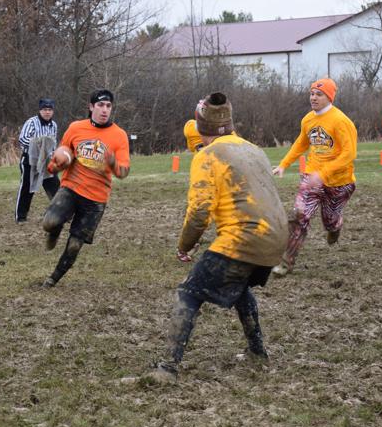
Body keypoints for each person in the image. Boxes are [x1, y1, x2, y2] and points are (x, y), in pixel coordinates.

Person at [149, 92, 287, 383]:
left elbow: (199, 213)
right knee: (239, 287)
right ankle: (257, 352)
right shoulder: (255, 150)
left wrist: (184, 246)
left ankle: (167, 369)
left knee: (189, 292)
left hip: (243, 237)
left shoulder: (207, 155)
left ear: (200, 128)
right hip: (276, 237)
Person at [41, 89, 130, 288]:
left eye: (108, 106)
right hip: (71, 188)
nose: (104, 110)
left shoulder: (119, 135)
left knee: (75, 244)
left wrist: (113, 161)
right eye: (100, 105)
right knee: (49, 222)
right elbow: (63, 155)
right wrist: (55, 165)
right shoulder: (75, 128)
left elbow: (124, 173)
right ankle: (54, 230)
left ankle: (53, 278)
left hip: (96, 199)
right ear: (91, 107)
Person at [270, 78, 357, 277]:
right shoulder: (308, 119)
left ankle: (335, 227)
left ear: (330, 97)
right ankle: (286, 262)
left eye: (319, 94)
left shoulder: (341, 121)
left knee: (330, 221)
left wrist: (324, 174)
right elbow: (301, 143)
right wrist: (284, 164)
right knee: (299, 215)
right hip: (311, 178)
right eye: (312, 93)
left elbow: (349, 154)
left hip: (339, 183)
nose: (314, 97)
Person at [15, 98, 60, 224]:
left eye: (50, 110)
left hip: (47, 161)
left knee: (55, 186)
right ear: (40, 111)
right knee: (27, 188)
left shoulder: (54, 125)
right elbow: (23, 139)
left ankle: (61, 212)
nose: (47, 112)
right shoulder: (31, 122)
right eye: (45, 110)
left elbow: (54, 143)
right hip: (31, 159)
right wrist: (38, 145)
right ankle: (21, 216)